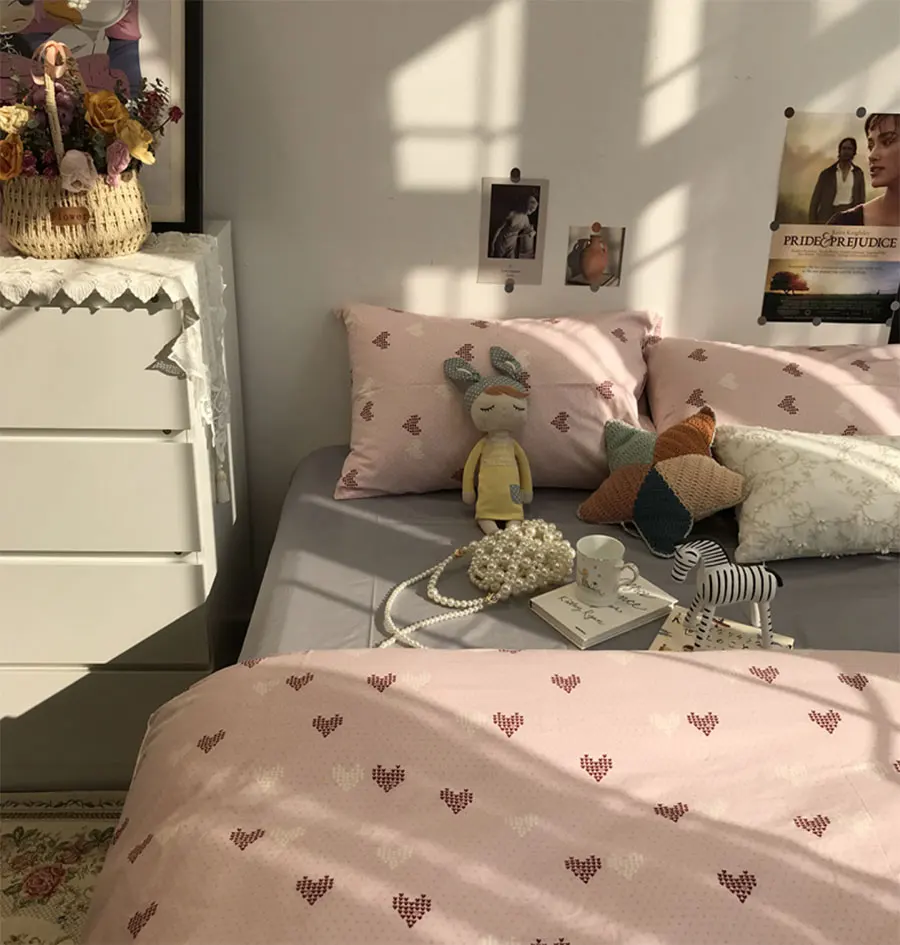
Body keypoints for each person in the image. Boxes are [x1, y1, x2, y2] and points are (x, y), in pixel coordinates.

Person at [828, 113, 899, 227]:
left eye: (887, 142)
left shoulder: (857, 173)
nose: (871, 156)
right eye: (871, 146)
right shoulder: (845, 223)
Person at [808, 137, 865, 224]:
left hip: (850, 215)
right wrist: (812, 223)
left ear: (854, 152)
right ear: (839, 151)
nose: (846, 151)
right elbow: (815, 200)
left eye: (849, 149)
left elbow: (861, 200)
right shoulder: (827, 174)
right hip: (829, 215)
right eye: (844, 148)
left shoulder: (858, 173)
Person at [490, 190, 538, 259]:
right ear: (526, 205)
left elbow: (526, 231)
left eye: (533, 211)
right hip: (502, 242)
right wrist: (492, 245)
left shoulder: (525, 218)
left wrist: (531, 232)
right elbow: (498, 230)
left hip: (512, 245)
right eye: (530, 210)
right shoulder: (511, 214)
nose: (531, 212)